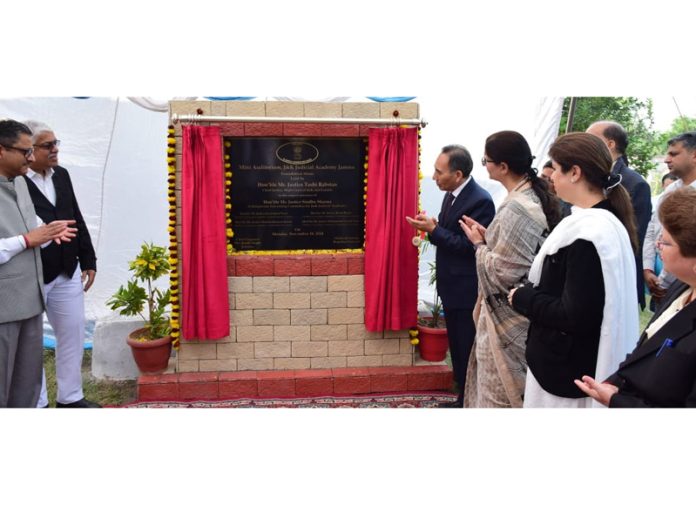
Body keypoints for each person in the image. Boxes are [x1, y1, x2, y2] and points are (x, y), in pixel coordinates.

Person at [509, 132, 639, 407]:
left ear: (575, 172)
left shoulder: (591, 232)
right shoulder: (596, 221)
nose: (551, 177)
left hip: (568, 372)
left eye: (555, 169)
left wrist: (522, 298)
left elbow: (575, 314)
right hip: (566, 365)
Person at [458, 131, 560, 407]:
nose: (484, 165)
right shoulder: (523, 196)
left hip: (509, 319)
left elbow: (504, 272)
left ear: (503, 166)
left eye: (486, 160)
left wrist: (479, 244)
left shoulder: (517, 206)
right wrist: (488, 237)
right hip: (512, 315)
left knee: (498, 396)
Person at [575, 187, 696, 407]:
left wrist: (617, 400)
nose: (658, 246)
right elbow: (650, 346)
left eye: (666, 242)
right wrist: (617, 381)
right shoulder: (682, 287)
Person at [406, 145, 495, 407]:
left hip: (466, 289)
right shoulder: (452, 194)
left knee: (467, 346)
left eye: (438, 171)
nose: (434, 177)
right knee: (456, 344)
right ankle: (461, 395)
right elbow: (449, 234)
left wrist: (434, 230)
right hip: (451, 285)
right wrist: (432, 226)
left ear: (457, 174)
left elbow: (471, 247)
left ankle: (468, 400)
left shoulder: (480, 200)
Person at [23, 121, 100, 408]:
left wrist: (89, 259)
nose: (55, 149)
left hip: (67, 269)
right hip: (32, 272)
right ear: (29, 150)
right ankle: (38, 402)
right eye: (48, 145)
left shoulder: (62, 175)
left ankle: (70, 398)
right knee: (31, 342)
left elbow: (75, 216)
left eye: (56, 143)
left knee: (73, 332)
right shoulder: (15, 182)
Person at [0, 119, 76, 408]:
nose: (31, 158)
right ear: (1, 151)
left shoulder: (19, 182)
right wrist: (27, 240)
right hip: (4, 310)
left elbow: (32, 225)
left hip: (30, 304)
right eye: (25, 151)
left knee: (26, 388)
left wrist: (50, 232)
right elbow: (26, 236)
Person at [586, 120, 652, 309]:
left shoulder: (635, 183)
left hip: (612, 280)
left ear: (610, 144)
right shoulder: (587, 175)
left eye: (591, 138)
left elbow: (634, 239)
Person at [643, 132, 696, 309]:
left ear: (694, 156)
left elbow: (684, 243)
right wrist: (648, 268)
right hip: (660, 278)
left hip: (685, 285)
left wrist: (663, 281)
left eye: (674, 154)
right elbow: (653, 228)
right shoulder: (671, 189)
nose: (666, 159)